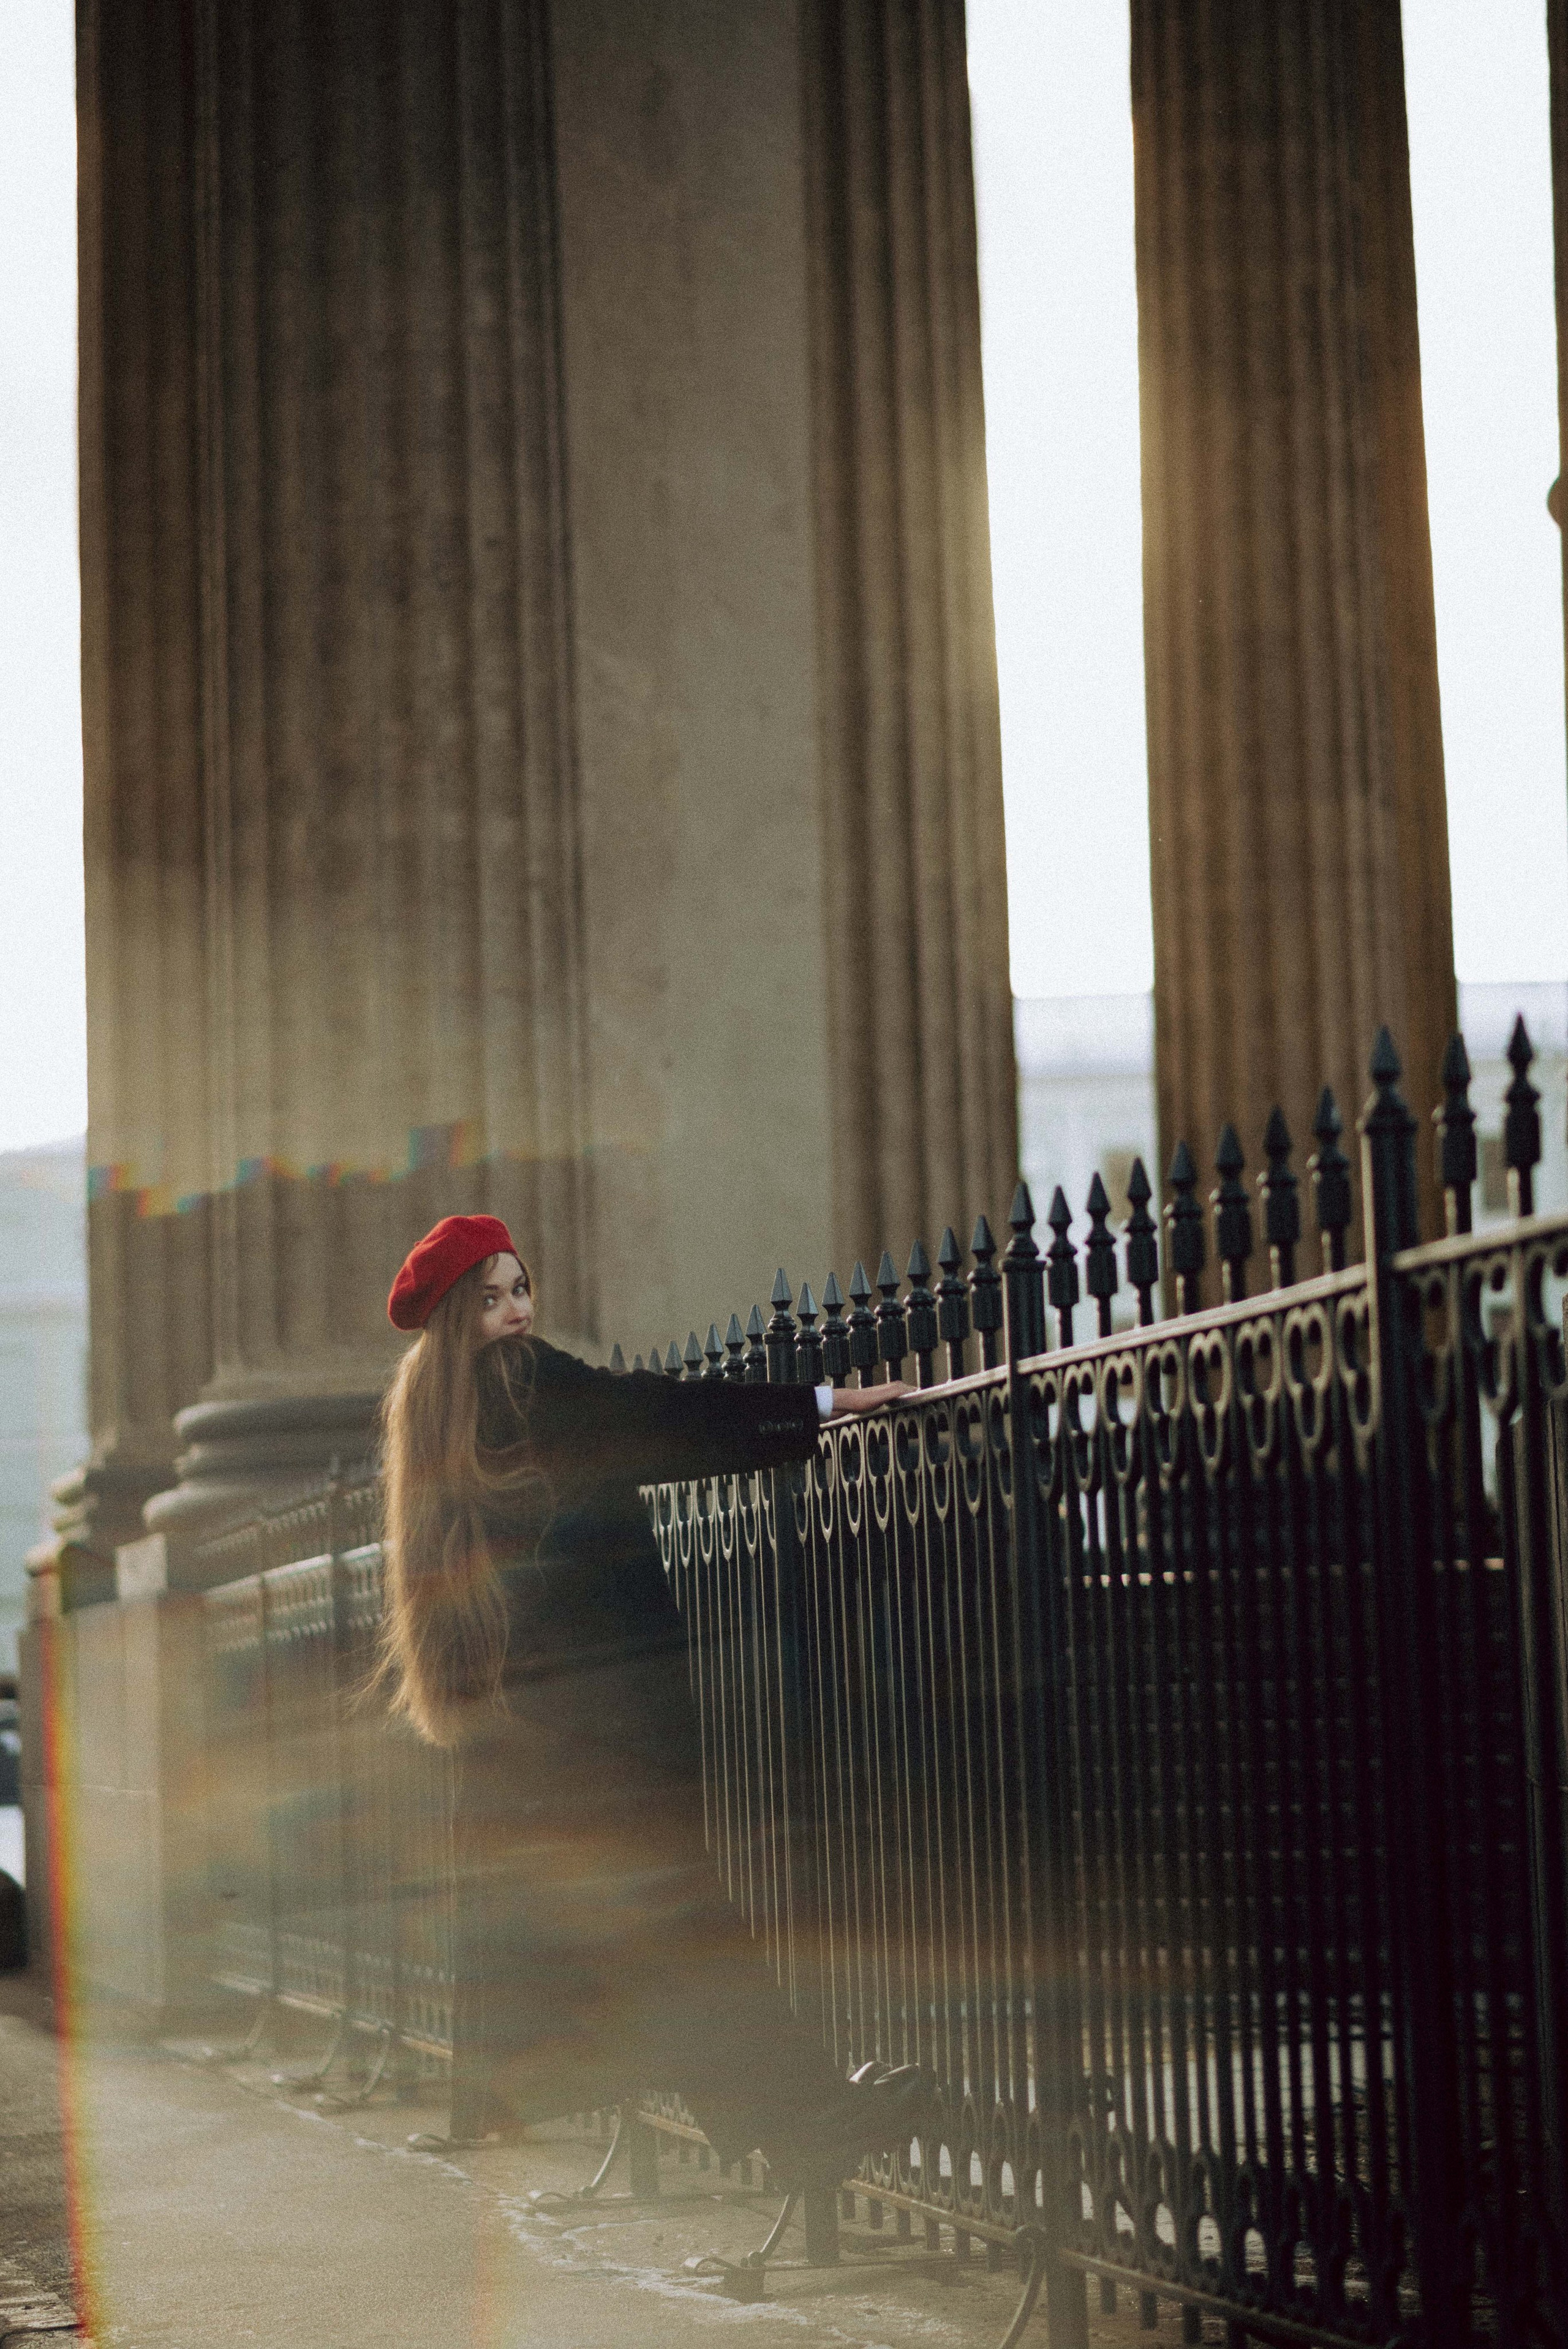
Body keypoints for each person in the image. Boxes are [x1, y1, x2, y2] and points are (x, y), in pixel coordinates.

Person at [377, 1213, 928, 2181]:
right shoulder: (530, 1386)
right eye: (494, 1297)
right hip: (608, 1720)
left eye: (522, 1289)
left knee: (661, 1928)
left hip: (532, 1730)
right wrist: (827, 1401)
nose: (516, 1313)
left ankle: (790, 2128)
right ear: (462, 1314)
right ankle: (804, 2130)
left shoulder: (433, 1416)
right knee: (681, 1922)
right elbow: (660, 1415)